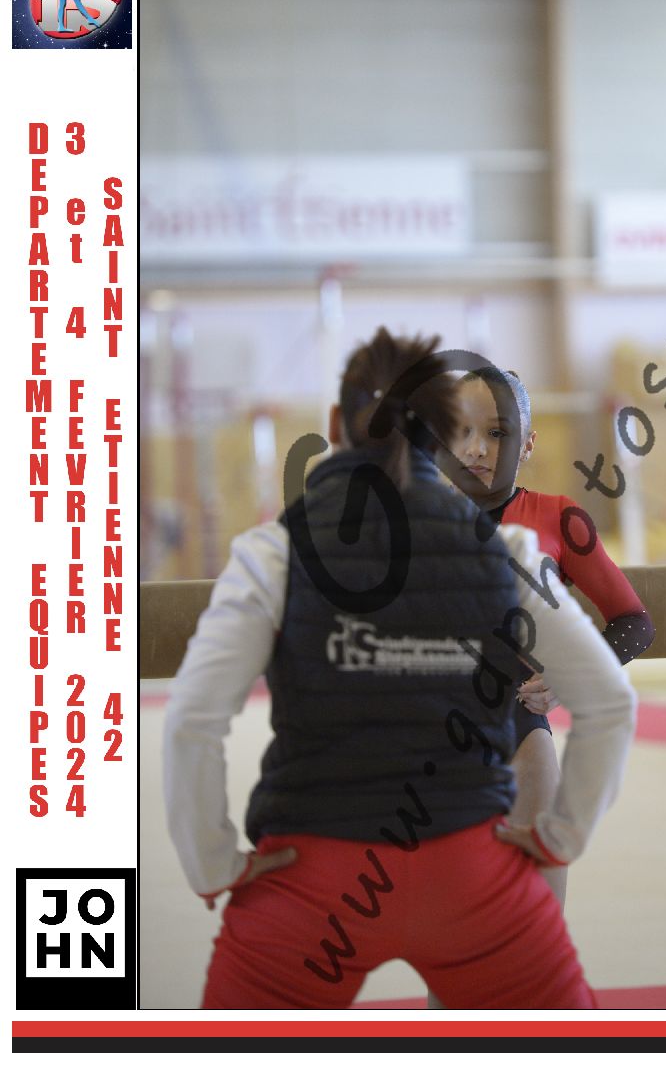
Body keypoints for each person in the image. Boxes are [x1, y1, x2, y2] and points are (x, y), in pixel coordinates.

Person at [163, 328, 637, 1009]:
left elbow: (192, 718)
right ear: (441, 434)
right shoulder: (506, 548)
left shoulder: (274, 551)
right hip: (470, 869)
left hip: (311, 875)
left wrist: (213, 864)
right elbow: (611, 704)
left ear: (335, 424)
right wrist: (561, 837)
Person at [446, 366, 655, 910]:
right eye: (462, 430)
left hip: (518, 730)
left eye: (497, 433)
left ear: (528, 443)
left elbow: (634, 622)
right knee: (443, 935)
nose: (476, 448)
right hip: (428, 735)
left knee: (537, 925)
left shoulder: (556, 517)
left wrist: (570, 675)